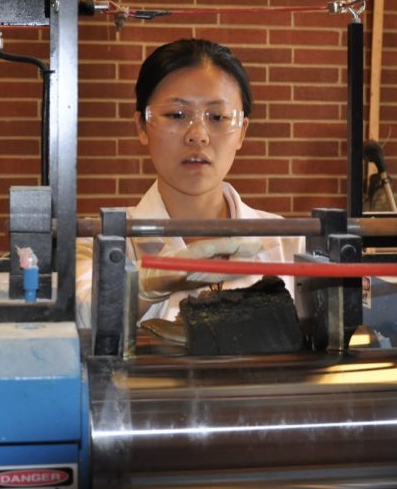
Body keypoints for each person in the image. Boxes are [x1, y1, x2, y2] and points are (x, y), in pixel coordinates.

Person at [75, 38, 305, 327]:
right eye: (176, 115)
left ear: (242, 132)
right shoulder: (101, 242)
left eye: (218, 117)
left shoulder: (288, 243)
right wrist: (143, 287)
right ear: (141, 127)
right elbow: (80, 316)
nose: (198, 134)